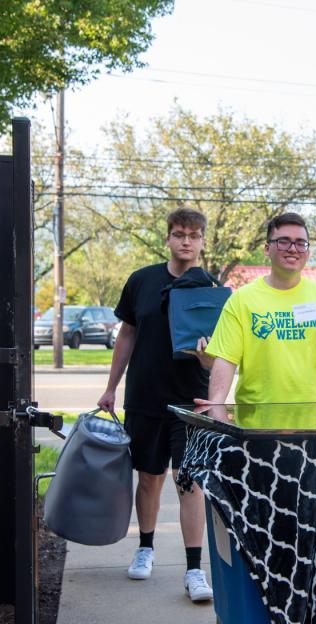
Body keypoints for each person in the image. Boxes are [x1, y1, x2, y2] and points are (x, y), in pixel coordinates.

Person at [97, 207, 215, 603]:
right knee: (149, 477)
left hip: (191, 400)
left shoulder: (210, 289)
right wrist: (111, 387)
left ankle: (194, 570)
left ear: (202, 241)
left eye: (194, 235)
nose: (186, 241)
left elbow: (220, 356)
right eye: (179, 234)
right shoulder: (141, 281)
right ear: (167, 237)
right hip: (145, 395)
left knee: (190, 482)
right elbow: (127, 336)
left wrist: (208, 362)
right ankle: (145, 548)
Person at [199, 211, 316, 410]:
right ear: (267, 248)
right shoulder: (242, 300)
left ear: (308, 251)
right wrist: (216, 403)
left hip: (313, 426)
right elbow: (226, 359)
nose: (293, 249)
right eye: (284, 241)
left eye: (301, 243)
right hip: (255, 426)